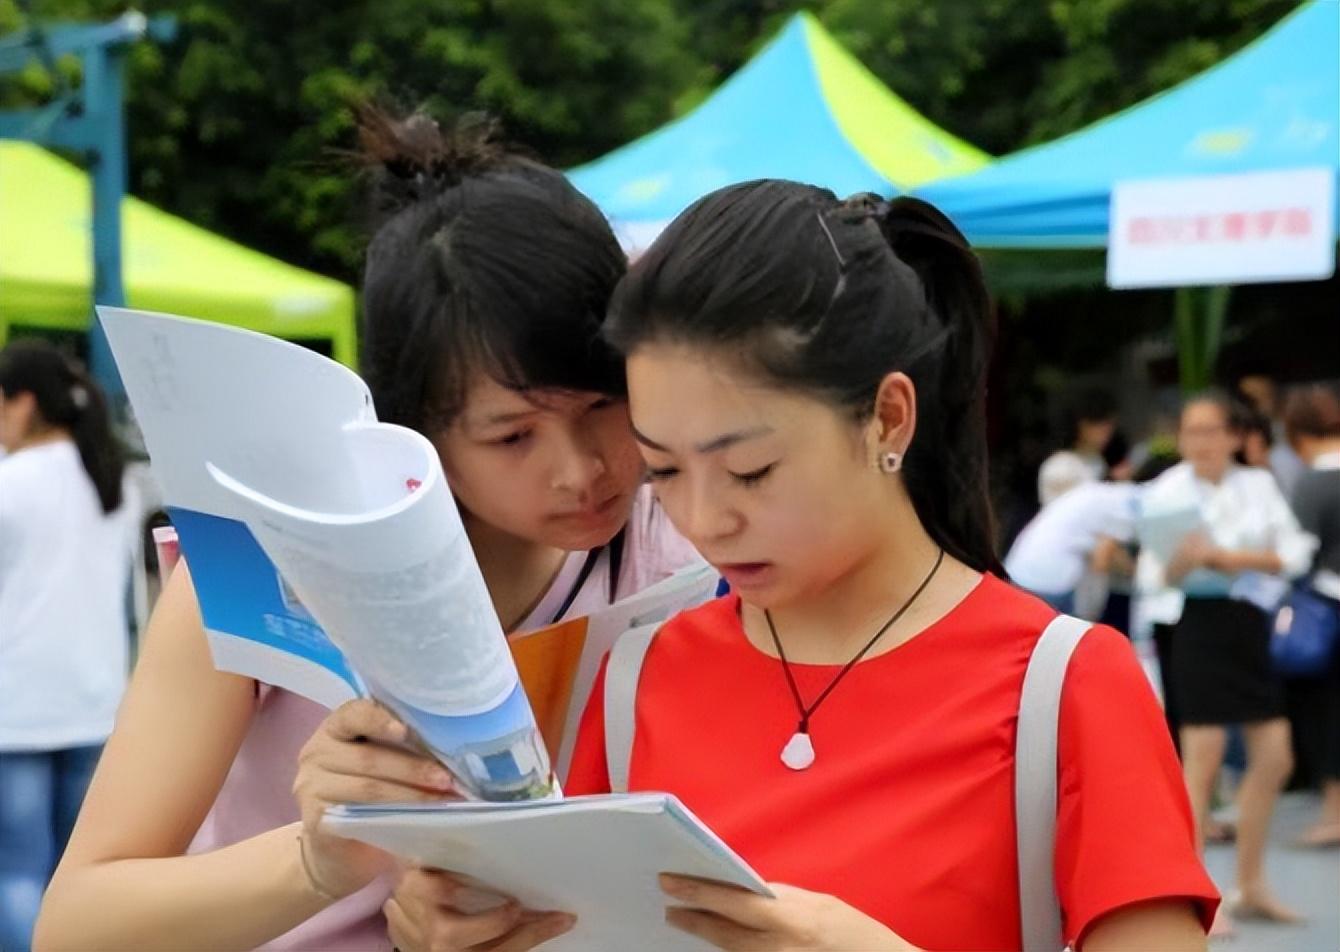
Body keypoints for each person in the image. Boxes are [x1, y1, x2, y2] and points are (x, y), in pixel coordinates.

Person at [388, 184, 1218, 951]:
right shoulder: (634, 676)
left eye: (750, 469)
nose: (707, 520)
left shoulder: (1065, 684)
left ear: (887, 419)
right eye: (664, 471)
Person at [34, 109, 700, 952]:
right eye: (512, 435)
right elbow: (76, 926)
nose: (581, 470)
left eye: (603, 405)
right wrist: (317, 860)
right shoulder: (261, 560)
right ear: (417, 427)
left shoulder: (684, 542)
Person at [1141, 390, 1315, 932]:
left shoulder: (1257, 484)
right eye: (1191, 432)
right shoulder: (1165, 491)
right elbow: (1156, 577)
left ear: (1233, 435)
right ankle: (1198, 895)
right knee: (1204, 758)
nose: (1202, 442)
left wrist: (1227, 558)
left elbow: (1292, 552)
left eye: (1211, 430)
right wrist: (1187, 561)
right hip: (1196, 623)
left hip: (1248, 623)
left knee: (1275, 754)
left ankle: (1252, 880)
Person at [0, 341, 140, 952]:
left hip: (18, 706)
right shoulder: (114, 484)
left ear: (24, 402)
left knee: (17, 872)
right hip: (96, 699)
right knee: (72, 877)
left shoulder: (10, 484)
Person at [1282, 384, 1340, 848]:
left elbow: (1297, 555)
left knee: (1325, 710)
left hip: (1328, 609)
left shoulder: (1313, 482)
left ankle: (1334, 813)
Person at [1038, 387, 1117, 505]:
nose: (1108, 431)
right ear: (1082, 426)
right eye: (1102, 425)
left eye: (1111, 424)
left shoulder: (1096, 460)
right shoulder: (1060, 466)